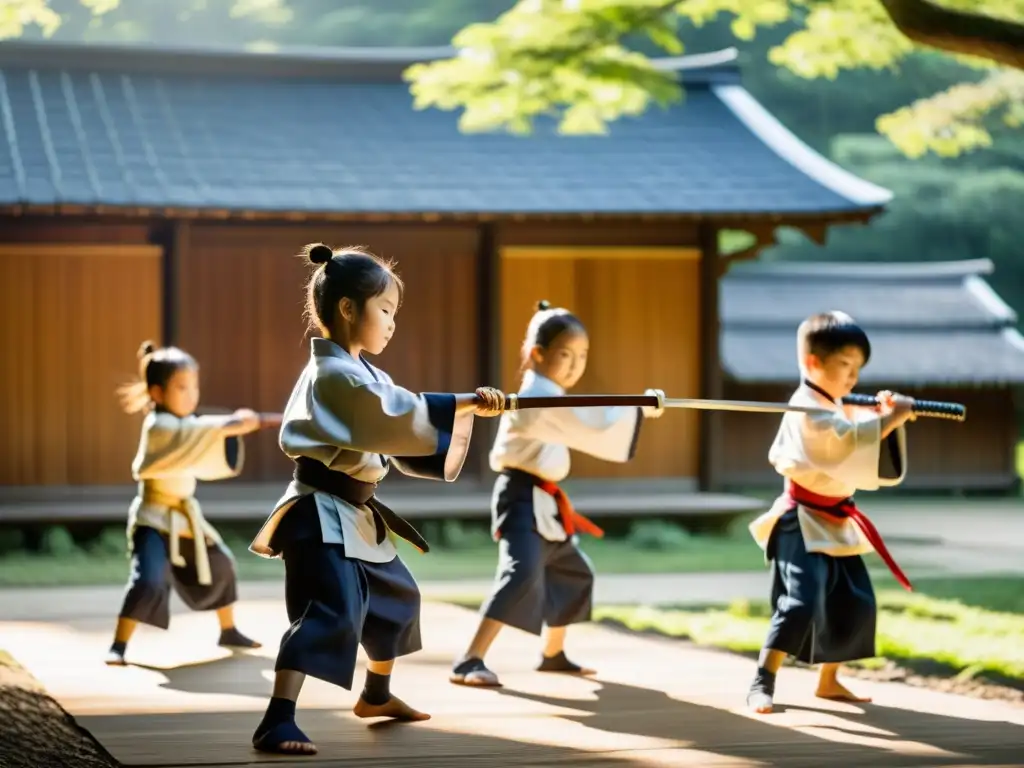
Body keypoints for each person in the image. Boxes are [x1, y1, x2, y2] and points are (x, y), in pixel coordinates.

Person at [249, 243, 506, 757]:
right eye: (385, 310)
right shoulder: (335, 375)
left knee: (396, 600)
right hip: (318, 513)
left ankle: (376, 694)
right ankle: (276, 720)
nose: (391, 323)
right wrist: (463, 405)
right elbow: (392, 414)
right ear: (348, 308)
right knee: (329, 612)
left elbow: (396, 418)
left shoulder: (364, 373)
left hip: (354, 514)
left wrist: (468, 408)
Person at [450, 300, 665, 688]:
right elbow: (587, 422)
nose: (574, 364)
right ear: (537, 354)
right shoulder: (535, 396)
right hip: (520, 496)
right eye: (566, 354)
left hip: (544, 500)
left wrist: (640, 407)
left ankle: (553, 653)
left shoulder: (550, 396)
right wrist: (639, 407)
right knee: (519, 575)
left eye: (582, 356)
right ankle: (469, 658)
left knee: (572, 570)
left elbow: (582, 418)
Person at [745, 310, 917, 714]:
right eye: (845, 365)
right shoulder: (807, 407)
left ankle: (829, 680)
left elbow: (853, 430)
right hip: (800, 521)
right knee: (799, 602)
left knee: (854, 601)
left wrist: (880, 413)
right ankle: (762, 679)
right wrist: (891, 418)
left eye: (858, 368)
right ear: (812, 363)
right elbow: (838, 443)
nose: (853, 377)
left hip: (836, 521)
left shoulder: (833, 403)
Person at [105, 342, 264, 667]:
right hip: (153, 518)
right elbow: (194, 433)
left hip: (184, 515)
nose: (191, 394)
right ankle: (119, 644)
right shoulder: (160, 426)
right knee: (147, 579)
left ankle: (228, 630)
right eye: (181, 387)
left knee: (222, 564)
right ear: (158, 393)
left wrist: (232, 425)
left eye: (194, 386)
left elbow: (196, 434)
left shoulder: (184, 425)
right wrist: (234, 423)